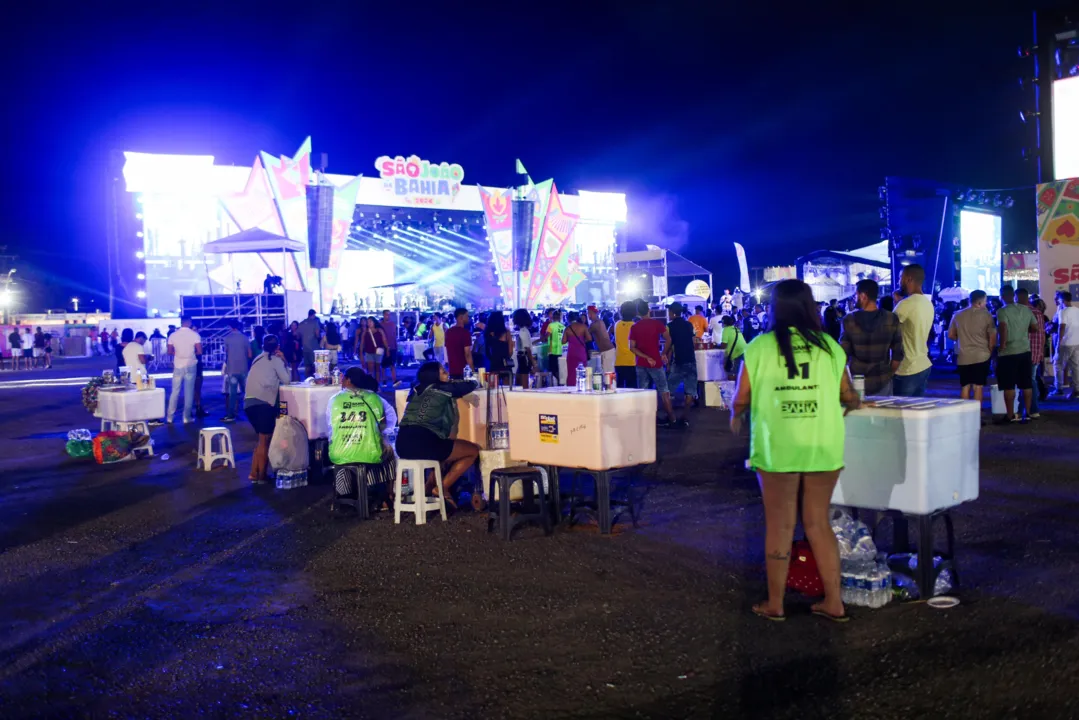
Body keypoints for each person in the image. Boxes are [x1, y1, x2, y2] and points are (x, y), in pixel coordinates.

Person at [730, 279, 861, 622]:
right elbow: (848, 395)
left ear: (775, 308)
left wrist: (737, 415)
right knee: (818, 522)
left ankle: (776, 604)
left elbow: (741, 398)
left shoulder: (758, 347)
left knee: (780, 524)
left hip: (778, 447)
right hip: (822, 443)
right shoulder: (830, 347)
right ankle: (834, 601)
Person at [396, 361, 481, 507]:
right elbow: (470, 385)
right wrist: (474, 379)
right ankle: (442, 487)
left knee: (445, 451)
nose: (447, 373)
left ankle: (429, 486)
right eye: (443, 372)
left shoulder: (415, 389)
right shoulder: (442, 388)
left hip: (402, 443)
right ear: (435, 376)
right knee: (472, 451)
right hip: (423, 442)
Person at [840, 279, 904, 397]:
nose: (855, 298)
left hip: (857, 380)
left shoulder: (849, 320)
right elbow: (898, 354)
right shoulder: (891, 318)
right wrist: (889, 374)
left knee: (858, 415)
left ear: (863, 296)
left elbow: (842, 355)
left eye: (856, 294)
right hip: (882, 379)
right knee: (884, 414)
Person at [244, 335, 290, 484]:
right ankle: (262, 476)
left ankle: (253, 473)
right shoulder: (276, 360)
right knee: (264, 440)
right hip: (262, 403)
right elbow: (287, 380)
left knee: (261, 440)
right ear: (277, 347)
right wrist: (284, 360)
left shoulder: (257, 359)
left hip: (249, 403)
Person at [630, 299, 677, 425]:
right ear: (649, 310)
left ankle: (646, 420)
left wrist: (645, 357)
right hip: (655, 362)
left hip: (641, 363)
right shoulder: (656, 324)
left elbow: (632, 347)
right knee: (663, 390)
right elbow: (668, 339)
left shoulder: (634, 327)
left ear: (638, 313)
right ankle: (672, 418)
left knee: (643, 391)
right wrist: (663, 353)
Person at [996, 285, 1037, 423]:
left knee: (1008, 385)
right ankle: (1028, 412)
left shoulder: (1002, 311)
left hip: (1008, 352)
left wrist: (1001, 345)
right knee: (1026, 384)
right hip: (1025, 350)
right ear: (1013, 295)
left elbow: (1003, 327)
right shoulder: (1025, 309)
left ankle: (1010, 415)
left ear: (1002, 296)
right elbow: (1035, 327)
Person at [892, 264, 935, 397]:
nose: (899, 281)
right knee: (915, 414)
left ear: (908, 279)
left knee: (900, 414)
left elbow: (888, 328)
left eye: (901, 277)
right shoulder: (927, 303)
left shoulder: (907, 304)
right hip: (923, 363)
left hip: (907, 368)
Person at [947, 290, 996, 403]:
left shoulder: (957, 314)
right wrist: (990, 350)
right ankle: (976, 416)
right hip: (981, 355)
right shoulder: (987, 315)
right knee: (978, 386)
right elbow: (992, 337)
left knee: (965, 386)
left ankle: (966, 415)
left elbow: (951, 335)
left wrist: (961, 339)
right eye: (985, 301)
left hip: (964, 356)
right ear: (980, 302)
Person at [665, 303, 699, 422]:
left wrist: (667, 361)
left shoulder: (669, 326)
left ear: (673, 313)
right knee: (690, 391)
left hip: (678, 361)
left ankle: (671, 416)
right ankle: (685, 417)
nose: (668, 315)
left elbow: (669, 345)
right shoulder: (689, 324)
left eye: (669, 312)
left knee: (667, 390)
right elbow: (694, 340)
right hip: (691, 359)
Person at [166, 317, 202, 424]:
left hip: (178, 364)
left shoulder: (173, 335)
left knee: (175, 391)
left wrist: (178, 354)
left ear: (181, 323)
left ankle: (170, 417)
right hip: (190, 364)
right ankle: (186, 418)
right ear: (189, 323)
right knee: (189, 391)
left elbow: (169, 351)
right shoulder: (195, 335)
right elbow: (199, 351)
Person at [222, 319, 252, 423]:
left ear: (230, 327)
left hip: (232, 369)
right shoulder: (244, 338)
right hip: (243, 368)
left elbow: (226, 352)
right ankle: (251, 412)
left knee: (232, 393)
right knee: (247, 392)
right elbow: (249, 354)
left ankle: (231, 414)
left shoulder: (227, 338)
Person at [1052, 290, 1079, 398]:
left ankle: (1058, 388)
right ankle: (1077, 390)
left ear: (1062, 300)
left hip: (1066, 343)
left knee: (1058, 365)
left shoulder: (1063, 312)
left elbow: (1061, 327)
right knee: (1075, 366)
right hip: (1076, 342)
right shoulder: (1077, 310)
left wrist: (1059, 342)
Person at [445, 308, 474, 379]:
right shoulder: (465, 333)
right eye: (467, 316)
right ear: (461, 317)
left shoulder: (448, 332)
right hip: (464, 370)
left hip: (452, 369)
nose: (468, 318)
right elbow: (467, 354)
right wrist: (472, 370)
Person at [484, 310, 513, 382]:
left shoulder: (488, 334)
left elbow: (487, 351)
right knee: (508, 388)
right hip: (505, 363)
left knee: (492, 389)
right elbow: (510, 351)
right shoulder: (506, 333)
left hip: (494, 363)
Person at [613, 301, 638, 388]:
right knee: (632, 388)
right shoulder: (634, 326)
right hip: (631, 361)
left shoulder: (617, 324)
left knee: (619, 387)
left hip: (619, 360)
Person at [563, 311, 593, 382]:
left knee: (571, 372)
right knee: (582, 371)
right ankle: (583, 385)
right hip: (581, 352)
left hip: (571, 353)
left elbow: (563, 341)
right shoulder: (583, 327)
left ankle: (571, 387)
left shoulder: (567, 328)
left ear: (568, 319)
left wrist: (571, 340)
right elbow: (589, 338)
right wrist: (581, 340)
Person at [588, 305, 616, 374]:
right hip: (608, 351)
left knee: (608, 376)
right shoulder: (600, 322)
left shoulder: (594, 325)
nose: (589, 315)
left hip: (607, 352)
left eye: (589, 313)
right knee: (607, 376)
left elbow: (585, 335)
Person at [512, 309, 535, 388]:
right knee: (522, 379)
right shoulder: (525, 330)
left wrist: (532, 362)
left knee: (523, 380)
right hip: (524, 358)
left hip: (523, 358)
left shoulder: (523, 331)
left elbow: (527, 348)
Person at [298, 309, 322, 378]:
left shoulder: (302, 323)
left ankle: (307, 379)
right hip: (314, 347)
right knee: (315, 365)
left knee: (307, 366)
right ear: (313, 315)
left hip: (305, 347)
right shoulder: (315, 322)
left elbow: (298, 335)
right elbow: (317, 334)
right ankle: (315, 379)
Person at [544, 309, 566, 384]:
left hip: (552, 350)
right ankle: (561, 383)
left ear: (553, 317)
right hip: (562, 350)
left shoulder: (551, 325)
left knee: (553, 370)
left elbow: (546, 336)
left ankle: (557, 383)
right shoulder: (563, 326)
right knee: (560, 369)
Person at [381, 309, 399, 386]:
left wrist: (395, 345)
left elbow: (394, 335)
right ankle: (384, 380)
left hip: (392, 347)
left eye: (389, 314)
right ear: (383, 315)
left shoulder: (392, 324)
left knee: (392, 364)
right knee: (383, 365)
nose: (387, 316)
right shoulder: (380, 324)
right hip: (383, 347)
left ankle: (394, 380)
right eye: (386, 314)